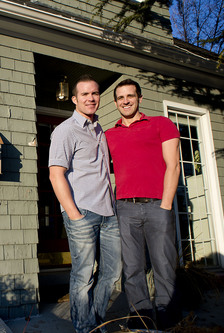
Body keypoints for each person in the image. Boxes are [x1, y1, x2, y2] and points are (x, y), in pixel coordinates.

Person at [105, 79, 181, 330]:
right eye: (120, 97)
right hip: (125, 208)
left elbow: (173, 165)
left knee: (163, 263)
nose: (125, 101)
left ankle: (168, 317)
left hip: (157, 205)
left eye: (130, 96)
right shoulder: (109, 135)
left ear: (139, 98)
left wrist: (166, 205)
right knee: (133, 267)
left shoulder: (161, 124)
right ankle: (141, 318)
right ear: (115, 102)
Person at [48, 74, 121, 333]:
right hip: (83, 213)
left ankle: (99, 321)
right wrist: (74, 215)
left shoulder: (100, 130)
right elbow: (55, 174)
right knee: (83, 276)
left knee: (111, 273)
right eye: (85, 94)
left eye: (95, 93)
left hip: (109, 214)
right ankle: (85, 328)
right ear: (74, 99)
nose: (91, 98)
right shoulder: (65, 130)